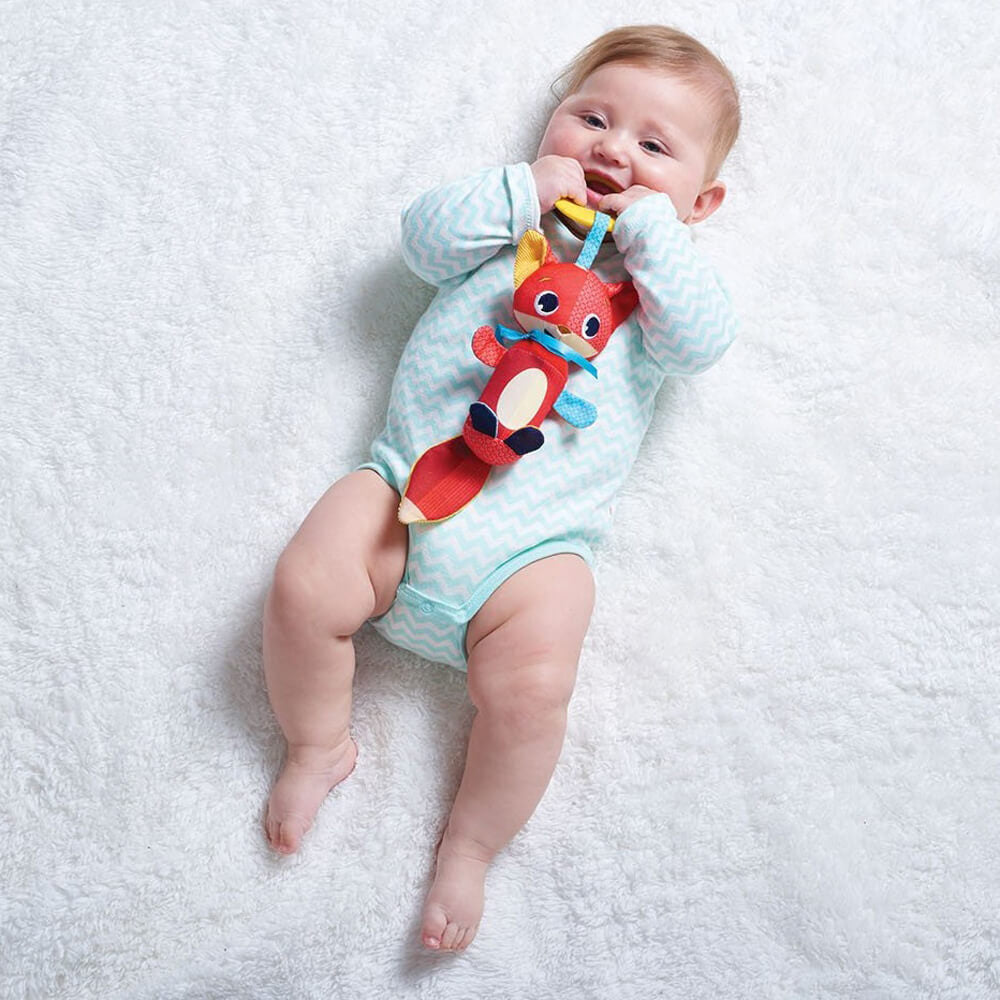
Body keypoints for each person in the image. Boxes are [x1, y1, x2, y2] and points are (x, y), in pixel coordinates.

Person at [261, 24, 741, 952]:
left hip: (532, 556)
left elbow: (702, 344)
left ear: (702, 200)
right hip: (402, 493)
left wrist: (654, 237)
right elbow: (421, 240)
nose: (613, 150)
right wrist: (525, 189)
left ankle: (472, 845)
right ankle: (317, 744)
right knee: (303, 584)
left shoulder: (660, 294)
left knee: (535, 691)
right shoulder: (507, 226)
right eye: (591, 119)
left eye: (654, 145)